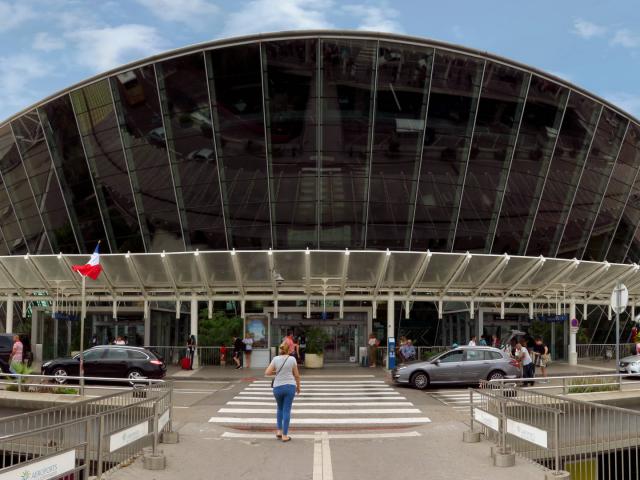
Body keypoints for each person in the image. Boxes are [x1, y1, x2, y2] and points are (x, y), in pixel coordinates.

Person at [265, 342, 301, 442]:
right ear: (289, 349)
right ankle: (285, 435)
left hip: (278, 388)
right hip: (290, 387)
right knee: (286, 410)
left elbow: (267, 373)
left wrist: (276, 371)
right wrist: (298, 387)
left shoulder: (275, 359)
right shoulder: (292, 359)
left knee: (280, 408)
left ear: (280, 349)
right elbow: (297, 375)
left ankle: (279, 431)